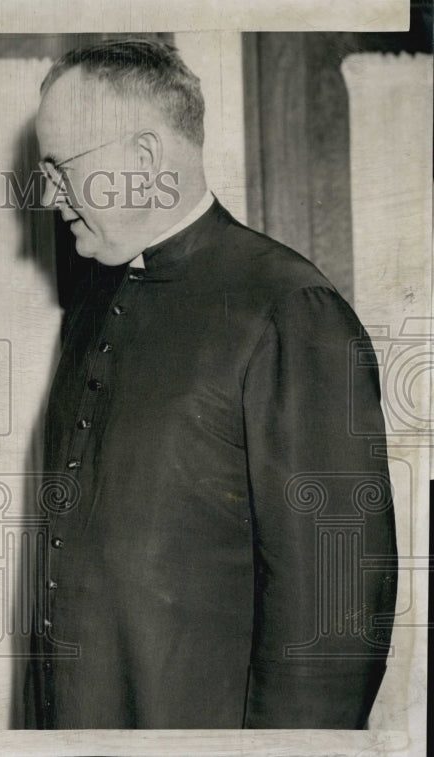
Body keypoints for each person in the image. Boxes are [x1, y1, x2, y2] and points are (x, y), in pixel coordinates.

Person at [25, 39, 397, 729]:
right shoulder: (94, 297)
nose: (47, 194)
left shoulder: (288, 308)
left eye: (60, 167)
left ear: (144, 158)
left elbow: (336, 616)